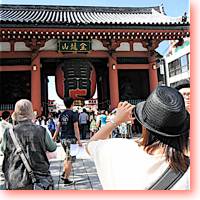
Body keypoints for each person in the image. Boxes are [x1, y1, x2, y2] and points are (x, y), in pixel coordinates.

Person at [86, 86, 190, 190]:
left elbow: (90, 144)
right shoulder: (188, 171)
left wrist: (116, 121)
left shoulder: (116, 149)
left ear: (143, 124)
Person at [0, 99, 57, 190]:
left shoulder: (8, 132)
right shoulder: (41, 130)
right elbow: (52, 147)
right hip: (40, 178)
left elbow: (3, 149)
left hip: (15, 179)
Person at [53, 97, 82, 185]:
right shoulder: (74, 114)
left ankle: (64, 172)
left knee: (67, 156)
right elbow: (76, 127)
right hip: (71, 139)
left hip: (63, 138)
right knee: (70, 159)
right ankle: (66, 179)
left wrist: (54, 137)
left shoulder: (61, 114)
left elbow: (58, 127)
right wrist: (79, 140)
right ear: (72, 103)